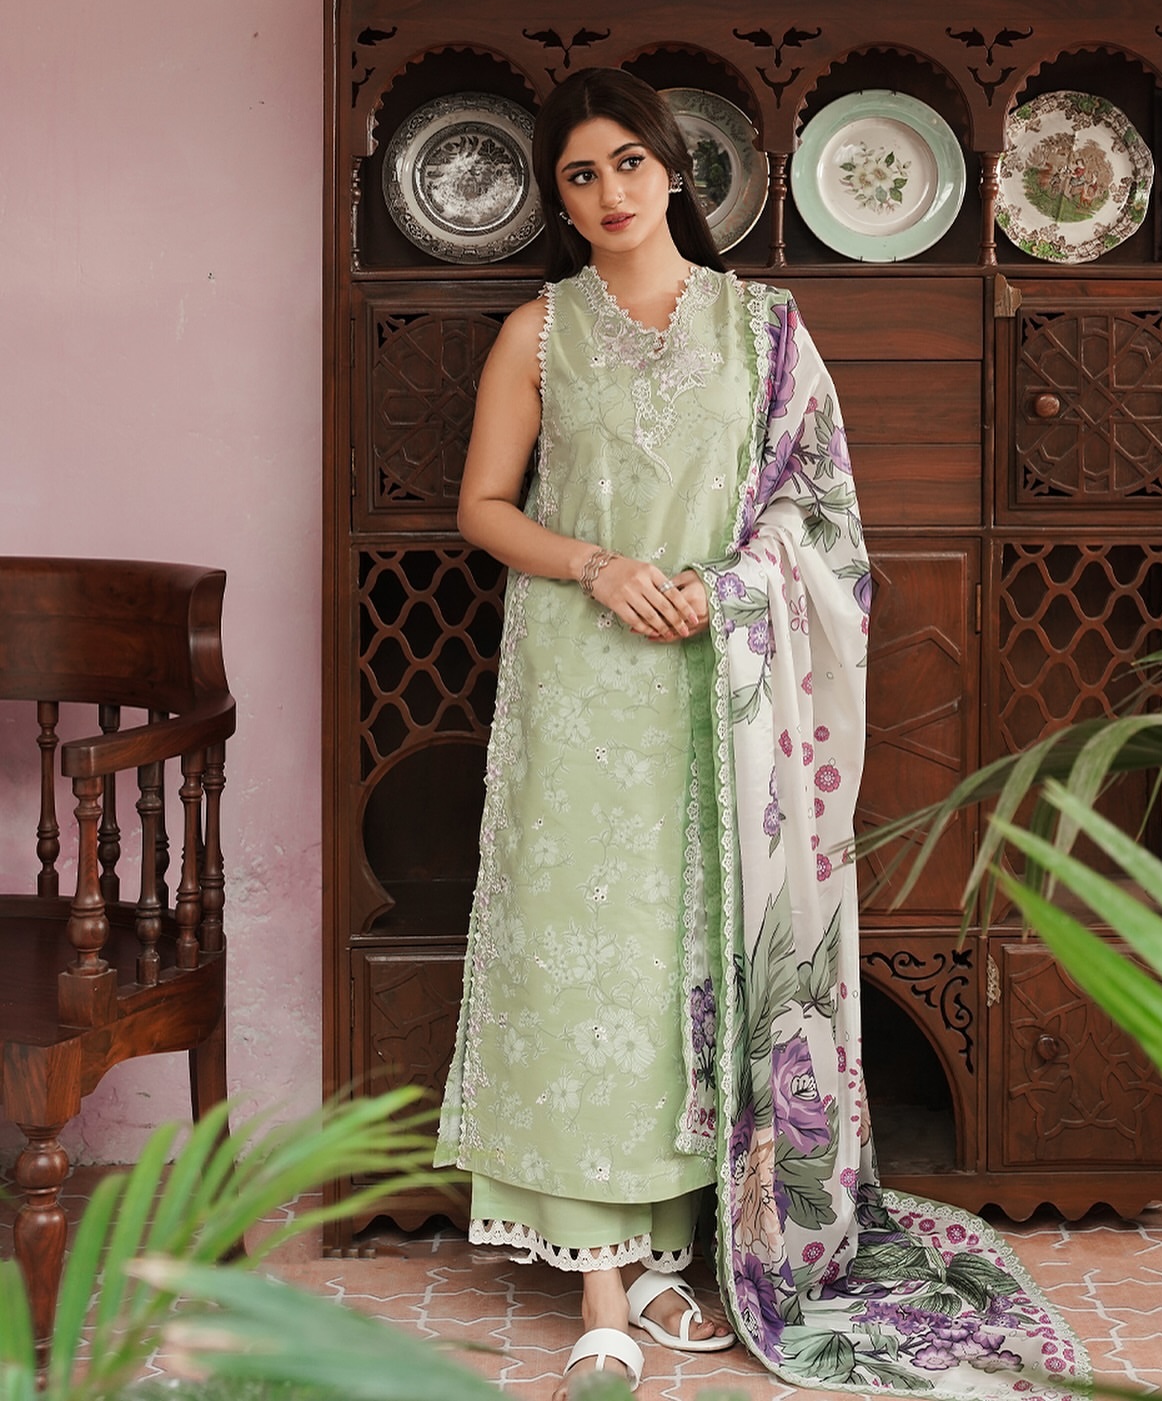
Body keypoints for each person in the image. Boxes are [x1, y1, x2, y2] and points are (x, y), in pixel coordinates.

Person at [436, 69, 1085, 1401]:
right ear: (559, 199)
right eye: (580, 175)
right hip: (582, 680)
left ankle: (681, 1245)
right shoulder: (537, 332)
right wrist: (599, 567)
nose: (609, 192)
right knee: (585, 965)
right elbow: (483, 508)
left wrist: (730, 590)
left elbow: (821, 514)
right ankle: (601, 1284)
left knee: (695, 957)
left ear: (674, 170)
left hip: (726, 680)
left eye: (628, 162)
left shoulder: (766, 329)